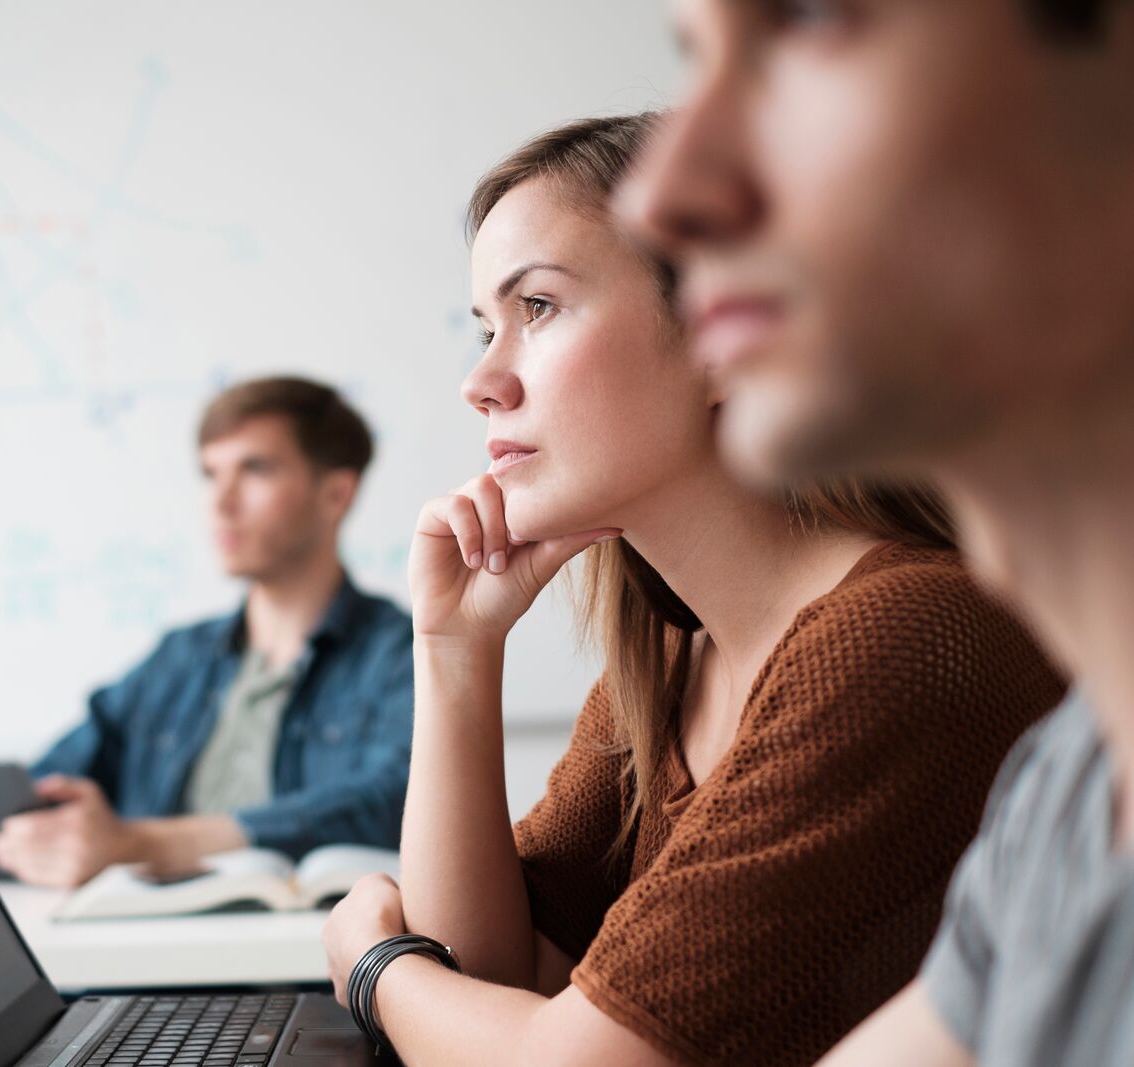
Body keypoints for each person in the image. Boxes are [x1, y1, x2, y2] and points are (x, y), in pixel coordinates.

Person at [319, 116, 1064, 1067]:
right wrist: (456, 652)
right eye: (484, 329)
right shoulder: (673, 662)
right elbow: (499, 976)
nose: (482, 381)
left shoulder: (902, 636)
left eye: (538, 306)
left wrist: (376, 966)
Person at [617, 1, 1134, 1064]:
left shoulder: (905, 634)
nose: (661, 197)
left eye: (809, 22)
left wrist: (379, 961)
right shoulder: (1072, 788)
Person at [0, 377, 413, 888]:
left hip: (314, 938)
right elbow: (50, 782)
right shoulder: (180, 658)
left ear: (336, 494)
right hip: (145, 935)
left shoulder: (401, 655)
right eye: (211, 474)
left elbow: (396, 799)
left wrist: (141, 844)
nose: (221, 502)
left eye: (255, 470)